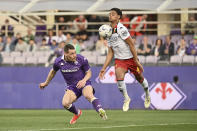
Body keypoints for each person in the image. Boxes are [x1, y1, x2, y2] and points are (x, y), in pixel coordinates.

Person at [39, 44, 107, 124]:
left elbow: (89, 73)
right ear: (65, 54)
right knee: (65, 103)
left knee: (88, 95)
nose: (74, 55)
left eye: (75, 52)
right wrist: (46, 83)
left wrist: (84, 80)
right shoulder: (58, 62)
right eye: (72, 54)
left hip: (84, 83)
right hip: (72, 87)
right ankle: (77, 113)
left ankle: (100, 110)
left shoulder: (81, 59)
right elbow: (53, 72)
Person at [99, 8, 151, 112]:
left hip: (131, 59)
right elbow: (110, 52)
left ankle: (147, 94)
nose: (110, 16)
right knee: (119, 78)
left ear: (119, 17)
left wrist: (136, 61)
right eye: (110, 14)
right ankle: (126, 98)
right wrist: (103, 68)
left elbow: (131, 44)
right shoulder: (108, 31)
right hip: (119, 60)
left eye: (113, 14)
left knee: (140, 79)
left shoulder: (121, 29)